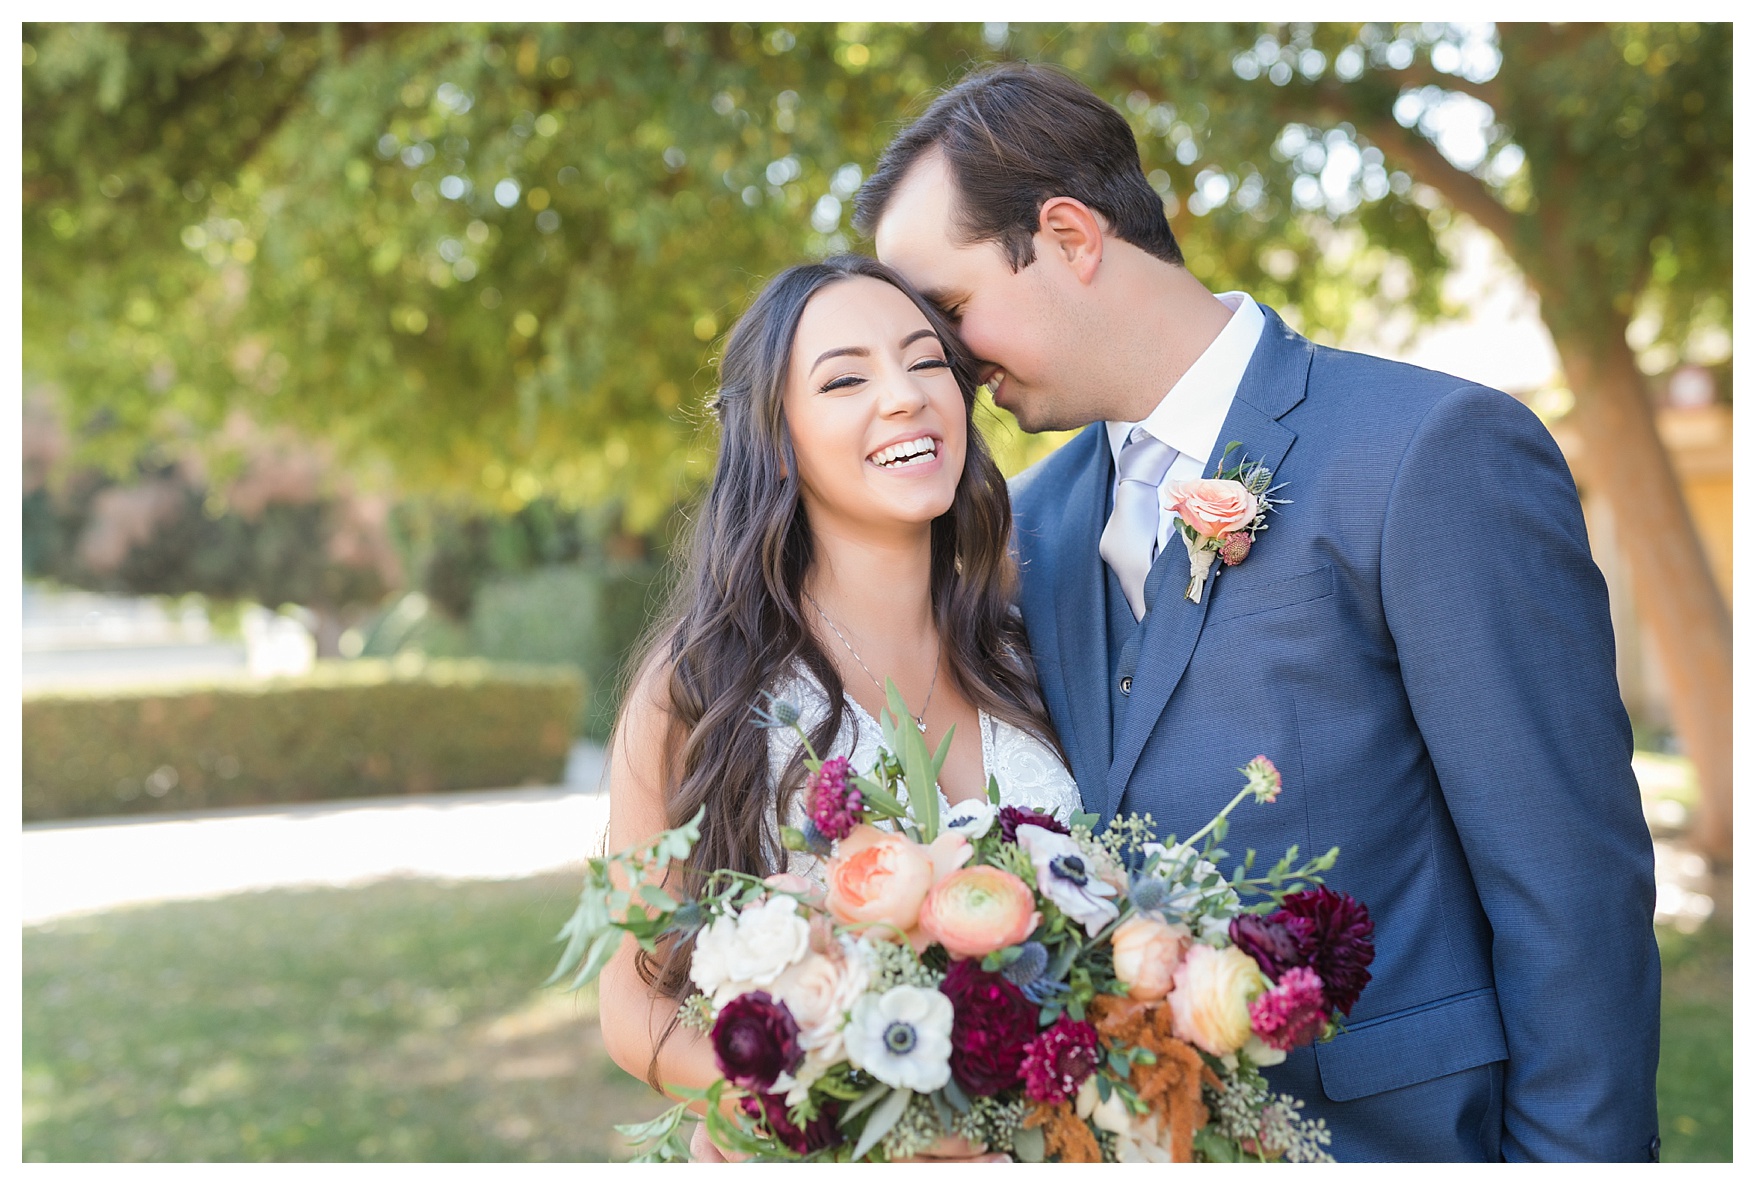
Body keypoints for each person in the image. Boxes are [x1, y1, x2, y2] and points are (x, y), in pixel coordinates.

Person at [855, 62, 1660, 1162]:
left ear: (1070, 237)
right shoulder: (1027, 529)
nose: (944, 361)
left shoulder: (1426, 453)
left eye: (947, 311)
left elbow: (1570, 888)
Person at [596, 253, 1079, 1161]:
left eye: (926, 360)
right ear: (776, 438)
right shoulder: (700, 683)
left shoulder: (1032, 642)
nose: (902, 396)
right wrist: (840, 1108)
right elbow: (631, 1003)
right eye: (845, 377)